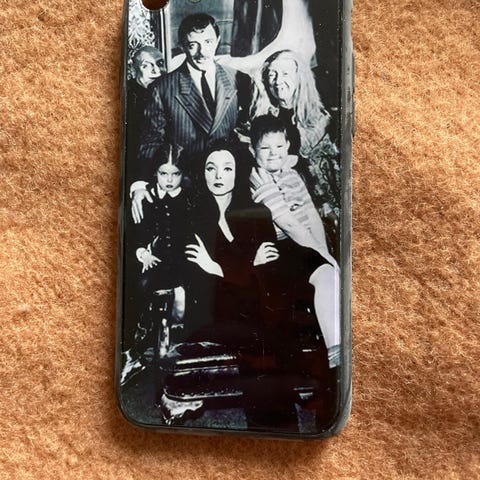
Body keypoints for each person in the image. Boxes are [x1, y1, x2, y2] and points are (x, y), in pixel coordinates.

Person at [249, 115, 341, 369]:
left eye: (279, 146)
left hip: (304, 244)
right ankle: (335, 351)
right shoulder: (258, 177)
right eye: (265, 148)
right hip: (281, 249)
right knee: (329, 275)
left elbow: (311, 214)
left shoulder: (292, 174)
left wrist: (325, 253)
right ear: (253, 150)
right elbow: (288, 223)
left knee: (330, 275)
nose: (273, 154)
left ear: (288, 145)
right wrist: (323, 257)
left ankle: (338, 345)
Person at [131, 14, 242, 224]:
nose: (202, 52)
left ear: (218, 41)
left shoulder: (236, 79)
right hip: (185, 191)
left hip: (227, 189)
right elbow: (151, 141)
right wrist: (140, 184)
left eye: (208, 42)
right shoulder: (162, 88)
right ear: (182, 46)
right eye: (193, 45)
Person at [250, 50, 341, 255]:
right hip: (285, 206)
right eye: (272, 74)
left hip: (322, 201)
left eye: (285, 73)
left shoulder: (322, 120)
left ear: (300, 77)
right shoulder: (261, 121)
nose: (277, 81)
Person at [121, 145, 193, 385]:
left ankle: (180, 353)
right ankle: (134, 350)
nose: (169, 180)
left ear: (183, 174)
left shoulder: (189, 198)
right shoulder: (147, 197)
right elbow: (137, 232)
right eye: (163, 174)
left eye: (175, 174)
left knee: (187, 295)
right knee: (139, 287)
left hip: (181, 262)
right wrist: (142, 253)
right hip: (154, 262)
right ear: (155, 173)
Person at [126, 46, 165, 182]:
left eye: (160, 63)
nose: (156, 70)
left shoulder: (170, 89)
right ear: (134, 69)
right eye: (146, 66)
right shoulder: (126, 95)